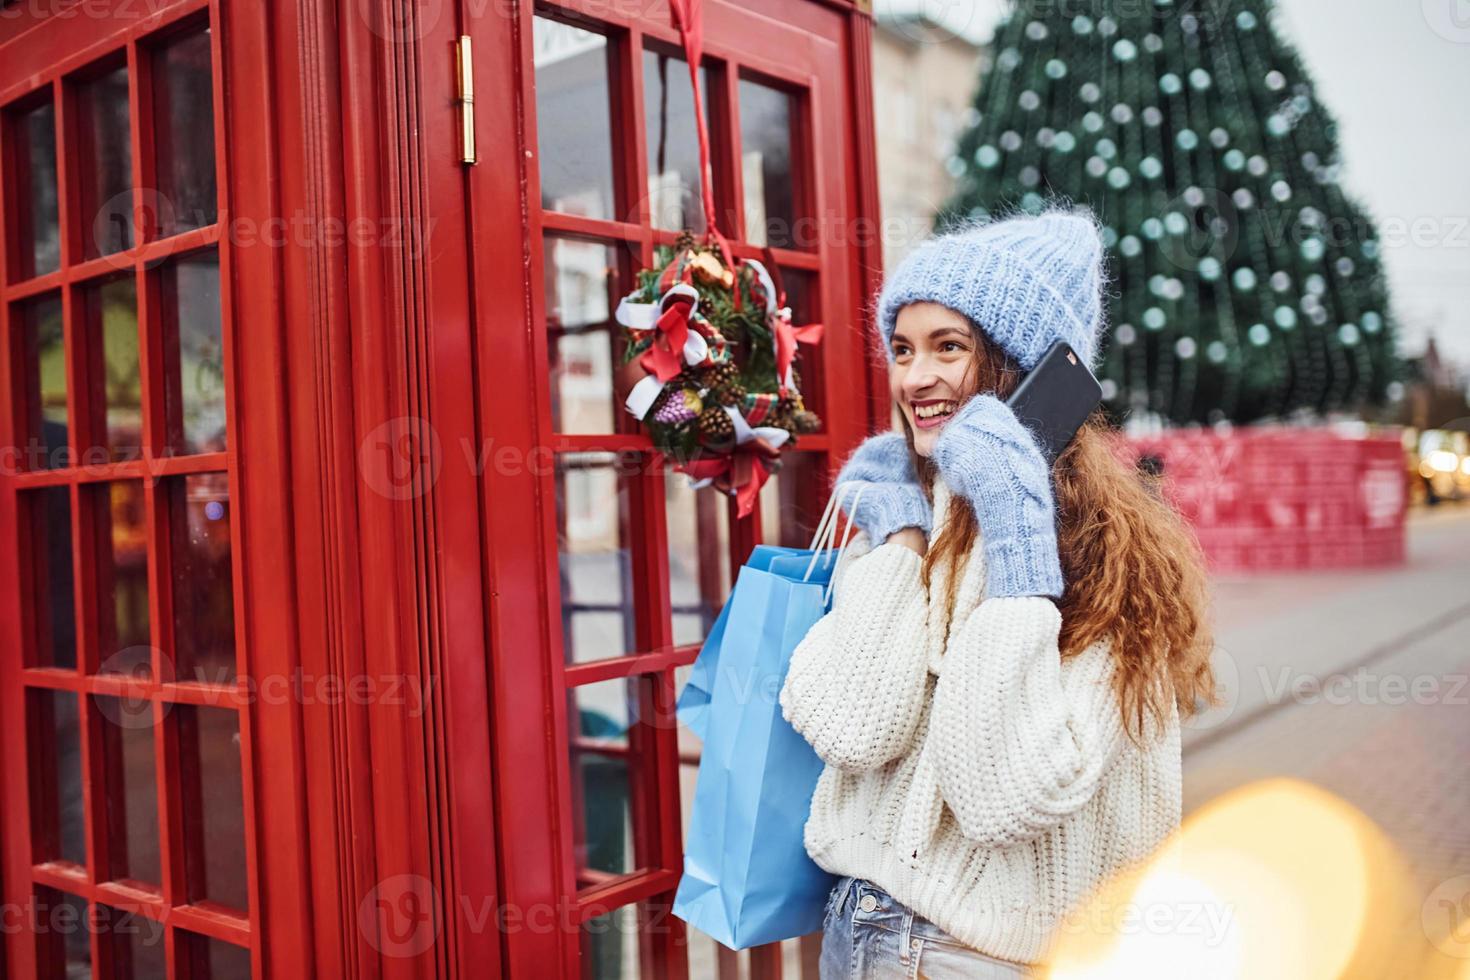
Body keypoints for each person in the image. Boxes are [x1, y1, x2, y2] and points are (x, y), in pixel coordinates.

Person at [779, 209, 1217, 978]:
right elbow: (851, 729)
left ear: (1026, 367)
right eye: (903, 349)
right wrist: (899, 544)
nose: (915, 379)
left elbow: (1006, 796)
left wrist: (1019, 553)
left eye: (949, 347)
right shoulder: (925, 517)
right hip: (854, 926)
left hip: (965, 955)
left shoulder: (1107, 556)